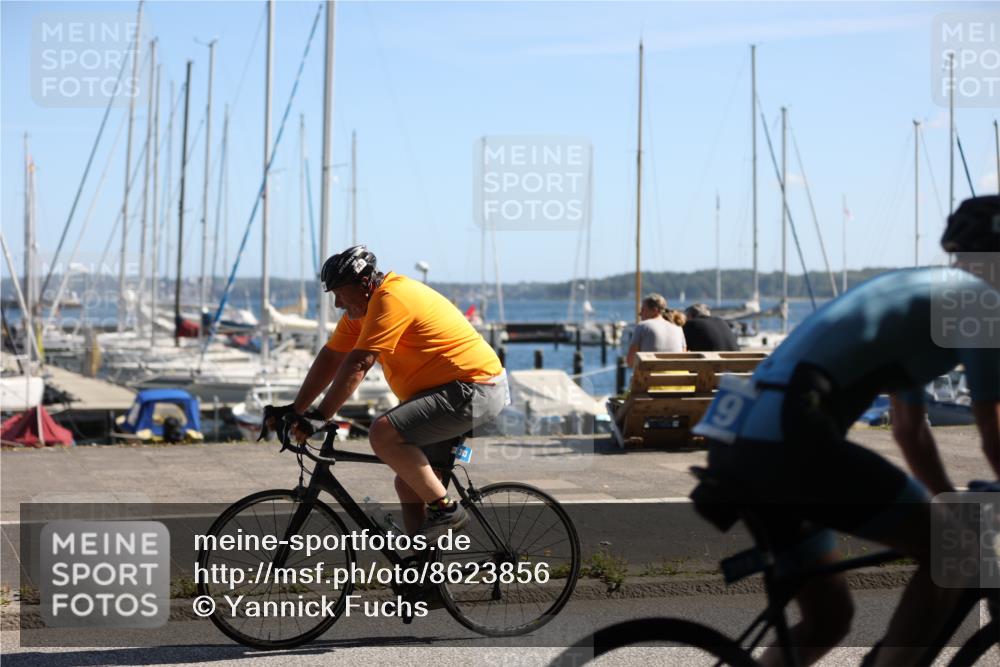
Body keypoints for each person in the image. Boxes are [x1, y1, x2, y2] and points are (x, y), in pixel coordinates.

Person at [691, 196, 1000, 666]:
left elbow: (910, 431)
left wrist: (947, 504)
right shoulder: (980, 300)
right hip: (792, 435)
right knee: (950, 554)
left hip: (739, 435)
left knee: (827, 619)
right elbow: (991, 429)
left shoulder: (917, 291)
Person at [268, 245, 508, 539]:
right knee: (408, 484)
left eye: (340, 293)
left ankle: (447, 510)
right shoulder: (361, 314)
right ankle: (423, 577)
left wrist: (320, 415)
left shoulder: (391, 298)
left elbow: (359, 363)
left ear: (365, 283)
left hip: (475, 388)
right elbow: (331, 357)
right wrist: (297, 409)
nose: (338, 304)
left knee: (382, 433)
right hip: (449, 391)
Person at [626, 293, 687, 367]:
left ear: (655, 310)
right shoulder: (678, 328)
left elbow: (630, 361)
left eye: (643, 309)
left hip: (651, 378)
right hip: (679, 377)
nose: (640, 313)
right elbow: (684, 356)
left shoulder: (643, 326)